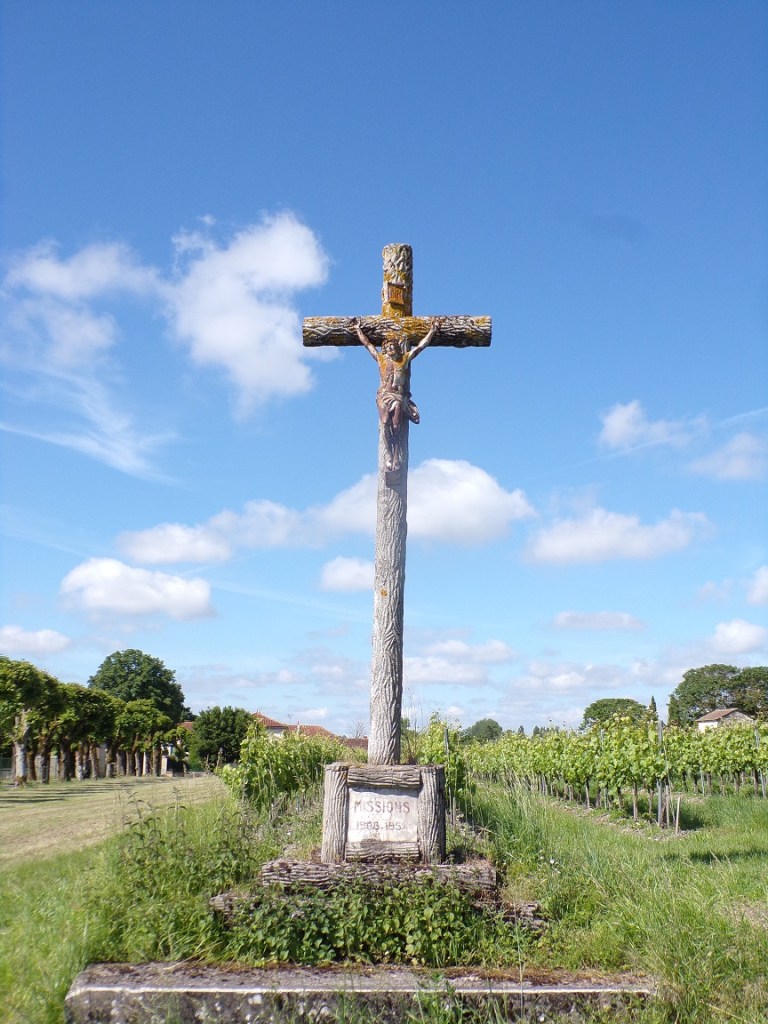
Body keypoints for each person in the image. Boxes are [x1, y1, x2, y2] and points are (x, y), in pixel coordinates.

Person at [351, 316, 441, 472]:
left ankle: (396, 455)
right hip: (383, 396)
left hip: (397, 397)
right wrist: (358, 329)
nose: (391, 349)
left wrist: (432, 331)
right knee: (385, 423)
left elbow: (420, 347)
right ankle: (388, 454)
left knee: (396, 426)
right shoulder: (381, 359)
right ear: (385, 349)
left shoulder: (403, 360)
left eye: (393, 346)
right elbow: (368, 344)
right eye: (388, 347)